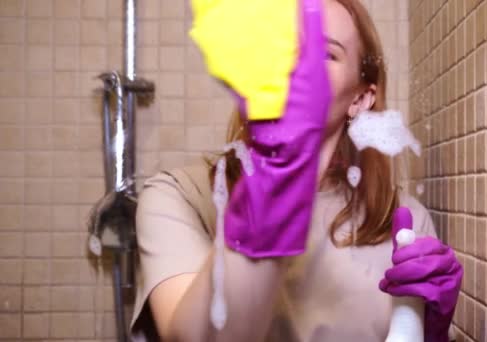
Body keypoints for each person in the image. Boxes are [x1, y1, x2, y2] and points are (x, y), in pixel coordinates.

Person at [129, 0, 461, 341]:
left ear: (360, 99)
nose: (295, 64)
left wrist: (427, 332)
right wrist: (276, 182)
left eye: (324, 53)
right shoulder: (179, 197)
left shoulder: (402, 223)